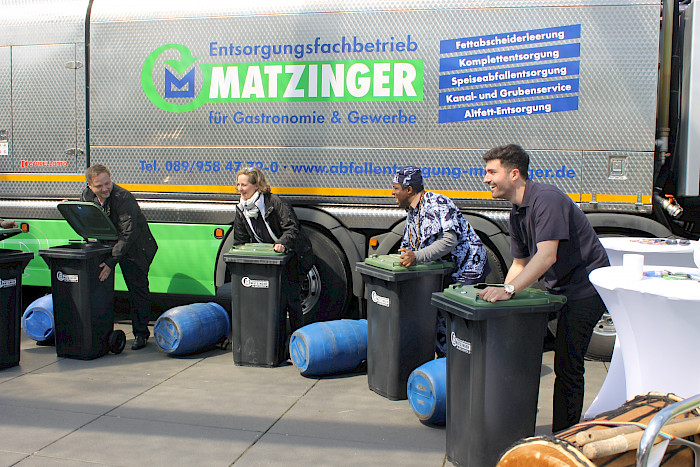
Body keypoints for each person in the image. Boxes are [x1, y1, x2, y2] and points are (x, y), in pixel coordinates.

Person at [478, 144, 609, 432]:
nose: (486, 179)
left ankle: (564, 436)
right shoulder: (517, 212)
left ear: (514, 174)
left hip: (584, 289)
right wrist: (500, 293)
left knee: (567, 365)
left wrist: (509, 291)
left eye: (491, 172)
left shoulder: (547, 200)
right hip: (558, 289)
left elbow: (547, 256)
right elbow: (520, 263)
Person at [392, 165, 489, 357]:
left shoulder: (438, 203)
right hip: (444, 270)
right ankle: (445, 363)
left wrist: (417, 256)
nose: (392, 192)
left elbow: (449, 240)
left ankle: (465, 361)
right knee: (439, 315)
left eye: (395, 188)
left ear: (409, 189)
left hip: (467, 267)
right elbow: (409, 244)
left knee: (457, 318)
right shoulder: (413, 212)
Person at [232, 167, 313, 357]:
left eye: (244, 185)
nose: (240, 189)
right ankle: (276, 348)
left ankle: (298, 346)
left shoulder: (275, 202)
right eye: (238, 185)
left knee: (291, 300)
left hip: (295, 256)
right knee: (274, 303)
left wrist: (282, 243)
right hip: (271, 261)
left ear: (257, 186)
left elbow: (292, 228)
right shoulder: (242, 208)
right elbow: (240, 238)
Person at [81, 164, 158, 350]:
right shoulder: (86, 196)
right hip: (108, 243)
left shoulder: (123, 197)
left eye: (107, 183)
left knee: (137, 289)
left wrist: (111, 262)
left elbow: (128, 234)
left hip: (135, 247)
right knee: (99, 286)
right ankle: (99, 330)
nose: (105, 188)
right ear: (90, 186)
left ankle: (141, 334)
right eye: (99, 186)